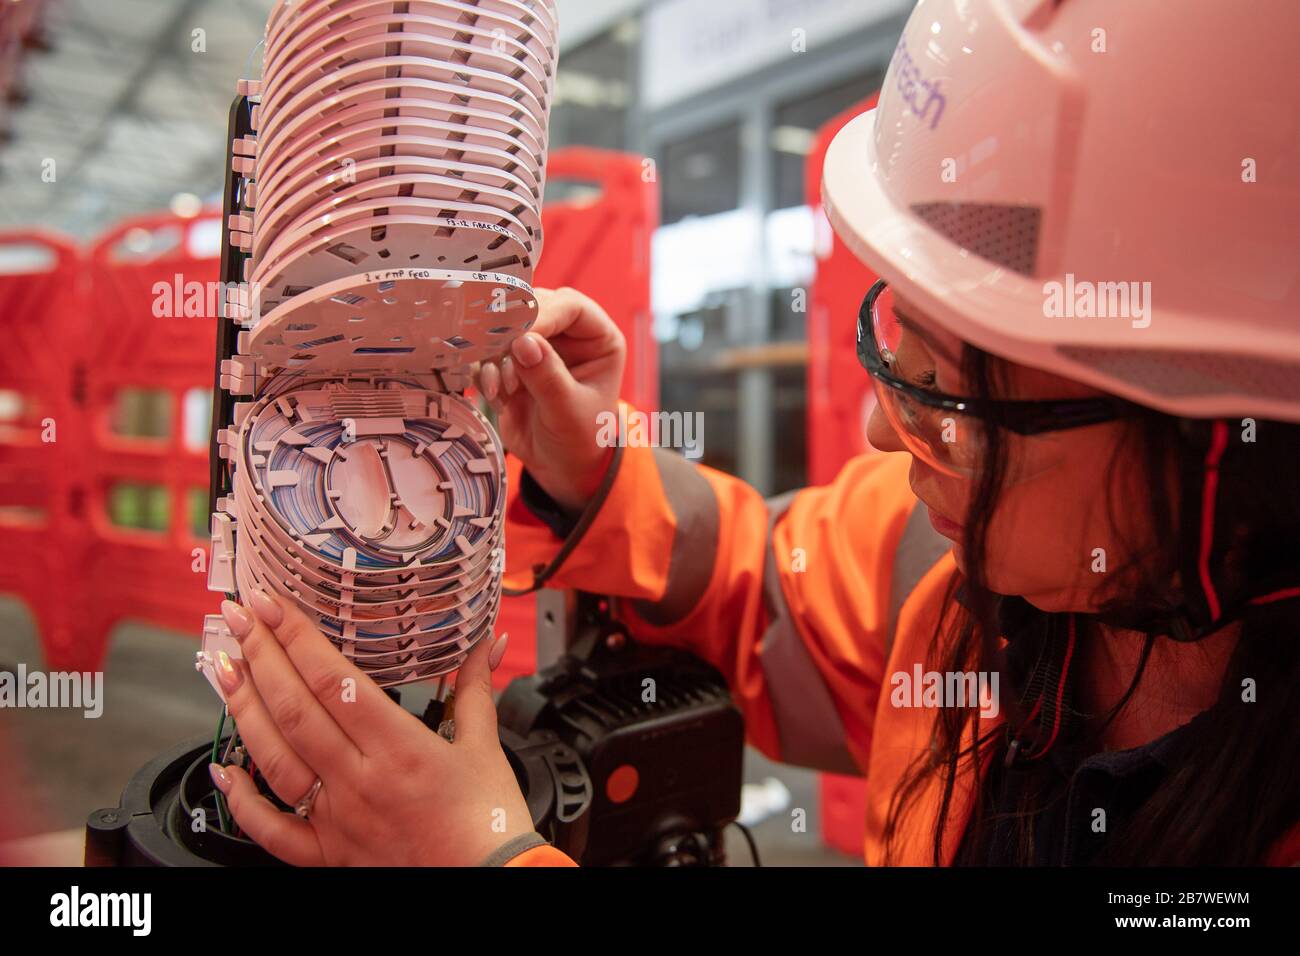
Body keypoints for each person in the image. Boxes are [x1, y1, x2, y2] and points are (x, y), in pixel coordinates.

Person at [208, 0, 1300, 866]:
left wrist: (479, 858)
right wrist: (595, 471)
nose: (882, 428)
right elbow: (770, 583)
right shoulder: (950, 563)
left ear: (1218, 440)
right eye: (896, 354)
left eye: (950, 398)